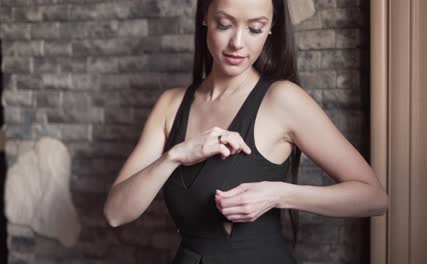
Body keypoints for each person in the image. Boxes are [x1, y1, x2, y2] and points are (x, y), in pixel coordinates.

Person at [103, 0, 389, 263]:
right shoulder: (171, 104)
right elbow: (115, 213)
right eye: (224, 24)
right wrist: (175, 156)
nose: (237, 43)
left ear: (271, 28)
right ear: (205, 17)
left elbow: (374, 198)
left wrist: (278, 194)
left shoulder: (283, 100)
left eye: (255, 28)